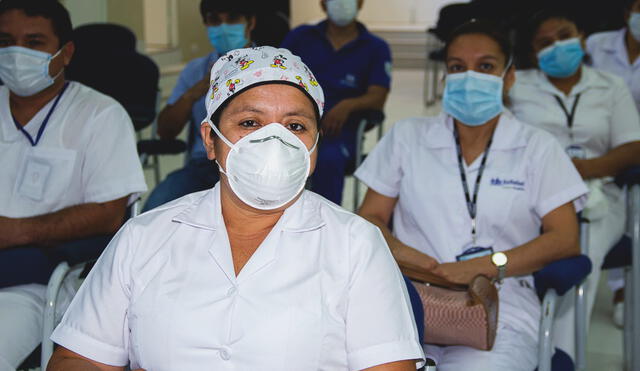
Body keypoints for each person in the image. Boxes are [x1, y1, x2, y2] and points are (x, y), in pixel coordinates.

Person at [47, 47, 425, 371]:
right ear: (211, 140)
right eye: (249, 122)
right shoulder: (144, 236)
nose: (273, 140)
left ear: (314, 149)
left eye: (295, 126)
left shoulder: (355, 245)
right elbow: (78, 357)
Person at [355, 20, 588, 370]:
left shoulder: (537, 147)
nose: (470, 77)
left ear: (508, 78)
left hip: (500, 305)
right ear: (445, 79)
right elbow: (369, 216)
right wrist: (406, 255)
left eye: (486, 66)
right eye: (457, 68)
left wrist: (489, 265)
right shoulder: (407, 137)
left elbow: (565, 239)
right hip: (410, 299)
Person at [0, 0, 147, 368]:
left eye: (33, 42)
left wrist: (15, 232)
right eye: (5, 41)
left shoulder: (100, 115)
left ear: (65, 53)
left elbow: (108, 215)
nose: (16, 53)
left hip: (37, 284)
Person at [508, 8, 640, 359]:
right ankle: (512, 348)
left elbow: (632, 146)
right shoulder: (519, 85)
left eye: (564, 36)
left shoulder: (610, 86)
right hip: (530, 195)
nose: (557, 46)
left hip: (599, 196)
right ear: (533, 53)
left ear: (582, 38)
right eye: (545, 43)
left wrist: (581, 169)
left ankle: (560, 358)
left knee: (577, 257)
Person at [142, 1, 256, 212]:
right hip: (203, 167)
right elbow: (165, 131)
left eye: (231, 19)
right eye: (215, 20)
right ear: (206, 24)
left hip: (256, 165)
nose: (223, 28)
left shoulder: (273, 67)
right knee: (155, 208)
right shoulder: (195, 71)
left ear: (250, 23)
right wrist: (196, 91)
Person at [281, 0, 392, 205]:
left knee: (328, 158)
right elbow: (276, 76)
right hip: (291, 123)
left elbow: (378, 96)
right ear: (323, 4)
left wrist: (347, 106)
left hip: (339, 132)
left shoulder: (375, 47)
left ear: (360, 3)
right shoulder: (301, 37)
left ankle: (325, 224)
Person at [586, 0, 640, 327]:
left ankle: (625, 291)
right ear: (628, 13)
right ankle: (619, 290)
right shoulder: (597, 45)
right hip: (603, 141)